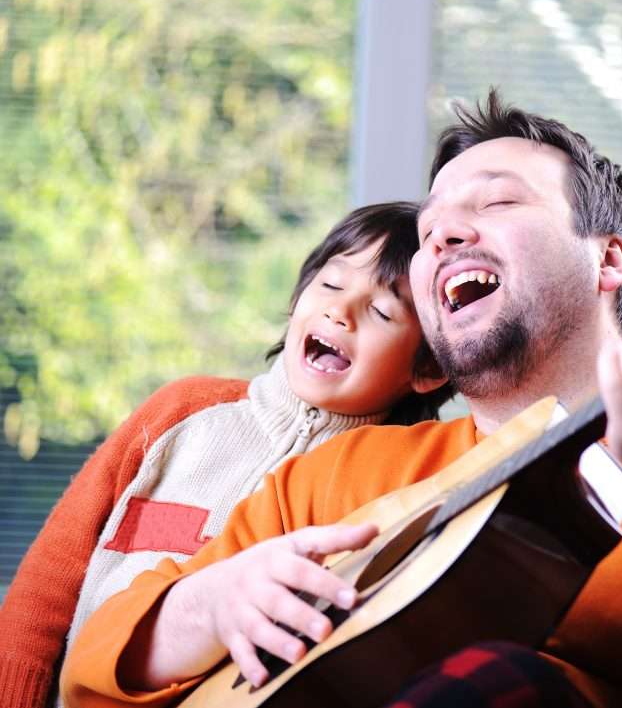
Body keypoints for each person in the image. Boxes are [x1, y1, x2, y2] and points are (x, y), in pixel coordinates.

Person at [61, 92, 622, 708]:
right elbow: (89, 672)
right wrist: (212, 601)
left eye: (496, 201)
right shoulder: (337, 477)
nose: (444, 236)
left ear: (610, 260)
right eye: (429, 233)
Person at [0, 202, 453, 708]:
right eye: (331, 283)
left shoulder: (383, 487)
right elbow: (48, 582)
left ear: (429, 369)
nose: (339, 311)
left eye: (382, 311)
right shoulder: (181, 411)